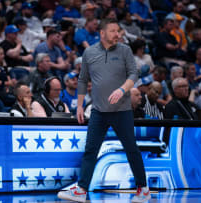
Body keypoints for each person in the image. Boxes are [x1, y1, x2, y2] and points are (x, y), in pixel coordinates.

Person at [57, 18, 150, 203]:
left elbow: (134, 74)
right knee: (91, 150)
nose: (118, 34)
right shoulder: (90, 52)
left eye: (118, 31)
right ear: (102, 33)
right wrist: (81, 105)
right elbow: (83, 80)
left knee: (131, 149)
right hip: (98, 111)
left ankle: (143, 189)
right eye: (113, 31)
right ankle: (82, 189)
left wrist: (122, 89)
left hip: (121, 110)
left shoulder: (125, 50)